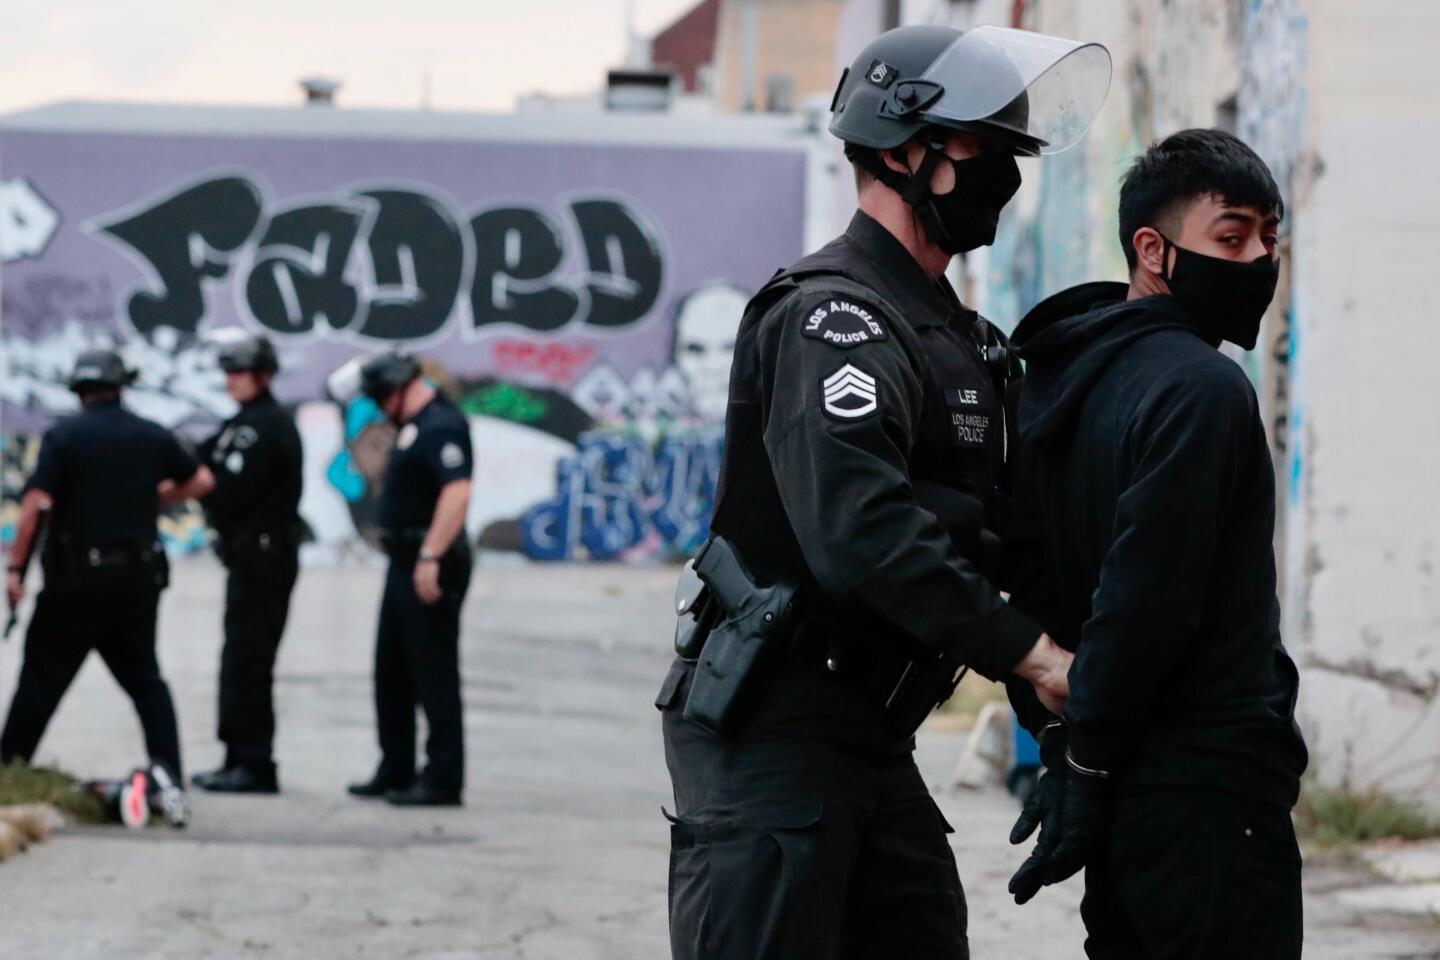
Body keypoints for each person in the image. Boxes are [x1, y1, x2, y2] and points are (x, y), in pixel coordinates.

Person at [657, 24, 1110, 960]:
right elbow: (862, 533)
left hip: (872, 731)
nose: (1007, 179)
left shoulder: (965, 340)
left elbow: (996, 546)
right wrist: (1032, 659)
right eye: (986, 152)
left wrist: (1058, 729)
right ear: (907, 151)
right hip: (775, 728)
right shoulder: (833, 319)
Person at [1003, 129, 1309, 959]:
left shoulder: (1063, 377)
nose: (1256, 262)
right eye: (1232, 237)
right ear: (1153, 249)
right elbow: (1148, 598)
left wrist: (1066, 748)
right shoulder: (1202, 389)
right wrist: (1090, 762)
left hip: (1126, 789)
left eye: (1268, 241)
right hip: (1207, 793)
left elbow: (1026, 570)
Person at [2, 349, 215, 826]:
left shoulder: (65, 437)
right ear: (122, 386)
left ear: (79, 391)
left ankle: (8, 769)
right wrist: (158, 497)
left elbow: (36, 504)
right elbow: (201, 479)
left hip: (74, 585)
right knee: (145, 679)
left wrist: (16, 572)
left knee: (40, 679)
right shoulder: (151, 434)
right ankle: (169, 774)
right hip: (136, 582)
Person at [339, 352, 474, 807]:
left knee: (432, 670)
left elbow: (457, 493)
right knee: (392, 670)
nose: (379, 410)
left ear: (397, 390)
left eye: (381, 399)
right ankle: (395, 767)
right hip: (404, 562)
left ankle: (442, 778)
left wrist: (431, 555)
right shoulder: (415, 425)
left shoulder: (441, 425)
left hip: (429, 560)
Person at [190, 333, 303, 795]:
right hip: (248, 558)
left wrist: (200, 488)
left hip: (264, 558)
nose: (232, 381)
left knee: (249, 659)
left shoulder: (266, 427)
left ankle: (254, 763)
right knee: (239, 657)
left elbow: (228, 489)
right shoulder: (242, 423)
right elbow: (198, 459)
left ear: (264, 375)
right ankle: (238, 755)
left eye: (241, 373)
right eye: (229, 373)